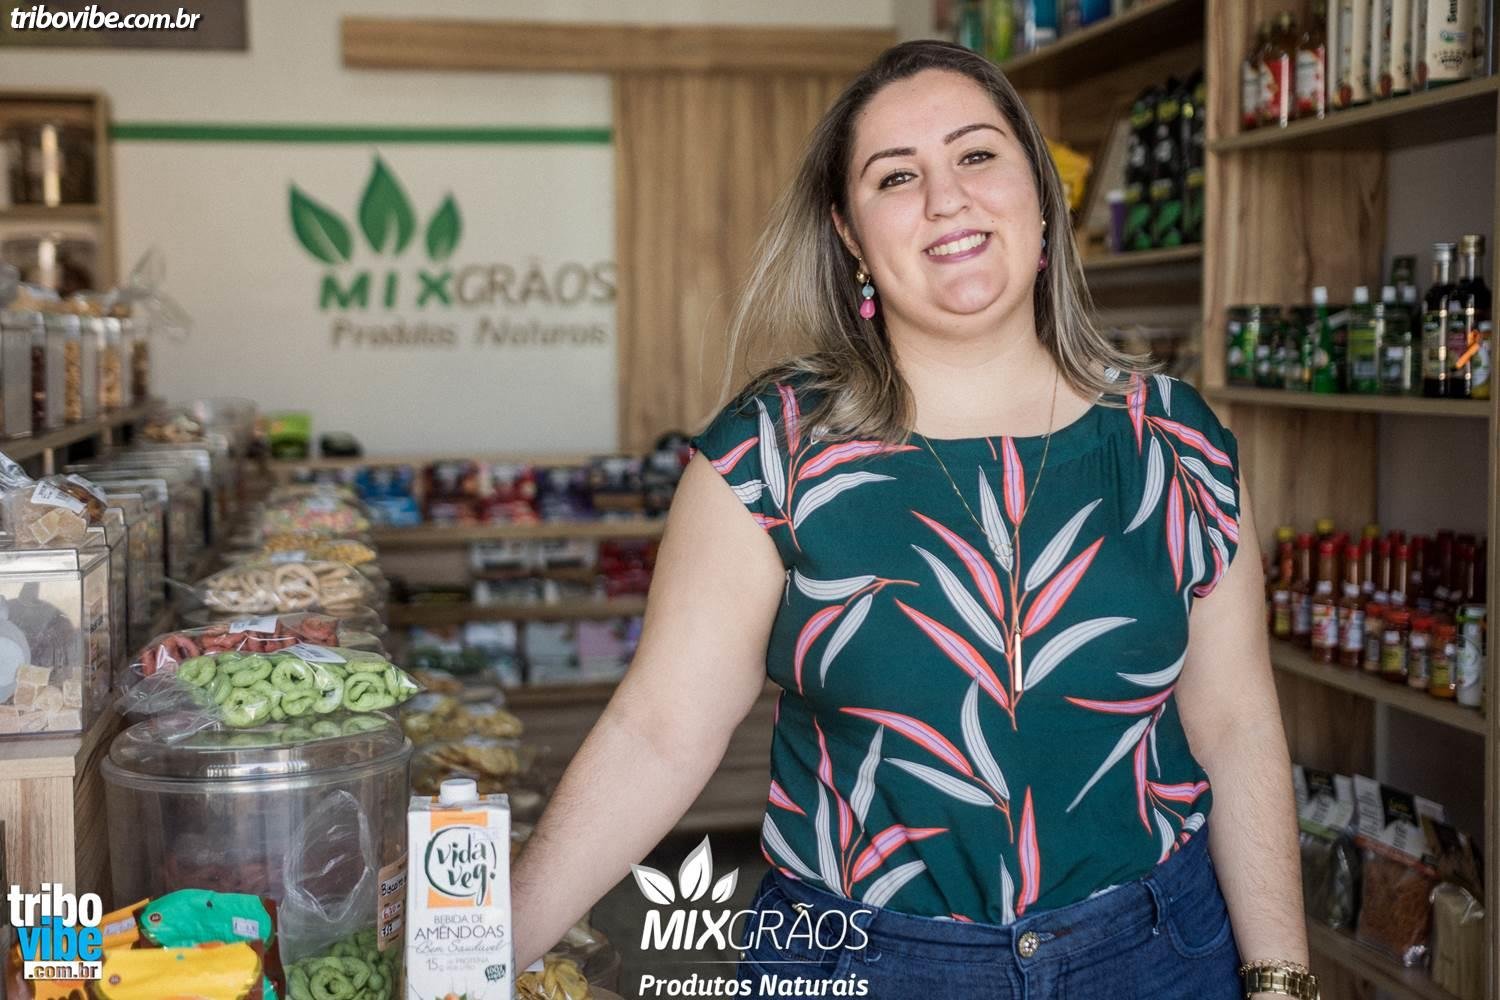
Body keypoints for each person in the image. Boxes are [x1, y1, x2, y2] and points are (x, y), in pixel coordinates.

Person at [513, 40, 1314, 1000]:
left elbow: (1236, 724)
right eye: (896, 176)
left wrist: (1281, 980)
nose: (946, 198)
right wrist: (482, 952)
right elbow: (659, 733)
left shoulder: (1176, 443)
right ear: (850, 234)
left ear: (1041, 194)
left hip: (1156, 957)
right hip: (863, 963)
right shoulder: (772, 455)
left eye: (977, 155)